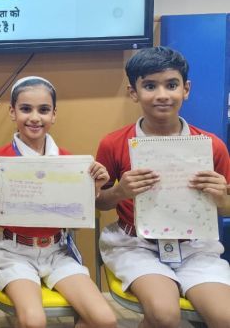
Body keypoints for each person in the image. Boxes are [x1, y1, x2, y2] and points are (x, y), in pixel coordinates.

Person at [96, 46, 230, 327]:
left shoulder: (211, 146)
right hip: (136, 245)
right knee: (164, 314)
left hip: (195, 247)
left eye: (171, 85)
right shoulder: (114, 143)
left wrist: (220, 198)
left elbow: (227, 208)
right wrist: (120, 192)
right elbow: (98, 201)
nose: (162, 95)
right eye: (149, 86)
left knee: (225, 316)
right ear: (133, 92)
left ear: (186, 89)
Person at [0, 76, 116, 328]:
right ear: (12, 112)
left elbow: (76, 218)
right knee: (34, 321)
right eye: (25, 109)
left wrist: (94, 188)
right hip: (14, 253)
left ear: (54, 115)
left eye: (43, 110)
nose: (35, 117)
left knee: (105, 319)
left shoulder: (68, 161)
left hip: (57, 251)